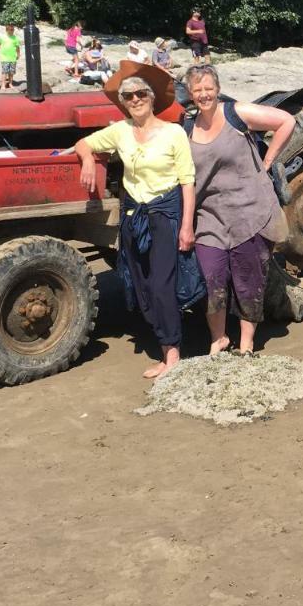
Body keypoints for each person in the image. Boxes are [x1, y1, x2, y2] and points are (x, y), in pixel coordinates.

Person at [75, 75, 195, 379]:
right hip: (133, 216)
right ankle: (163, 338)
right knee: (140, 283)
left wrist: (186, 226)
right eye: (128, 96)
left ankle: (172, 354)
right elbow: (82, 143)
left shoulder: (174, 133)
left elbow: (187, 182)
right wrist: (88, 159)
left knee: (161, 284)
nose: (135, 99)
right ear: (124, 102)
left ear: (152, 97)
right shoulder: (121, 131)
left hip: (165, 213)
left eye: (141, 93)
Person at [185, 65, 295, 355]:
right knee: (212, 279)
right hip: (209, 217)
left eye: (208, 88)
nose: (204, 94)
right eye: (197, 90)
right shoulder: (186, 128)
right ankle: (218, 338)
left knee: (248, 280)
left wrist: (268, 162)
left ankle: (246, 344)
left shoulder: (236, 114)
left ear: (217, 89)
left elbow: (286, 121)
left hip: (249, 211)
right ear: (190, 94)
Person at [0, 23, 21, 91]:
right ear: (7, 30)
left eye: (13, 30)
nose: (12, 31)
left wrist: (18, 54)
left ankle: (10, 83)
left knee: (11, 72)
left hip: (13, 58)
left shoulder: (15, 38)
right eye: (11, 30)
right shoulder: (2, 37)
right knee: (4, 72)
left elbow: (17, 47)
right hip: (5, 58)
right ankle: (3, 85)